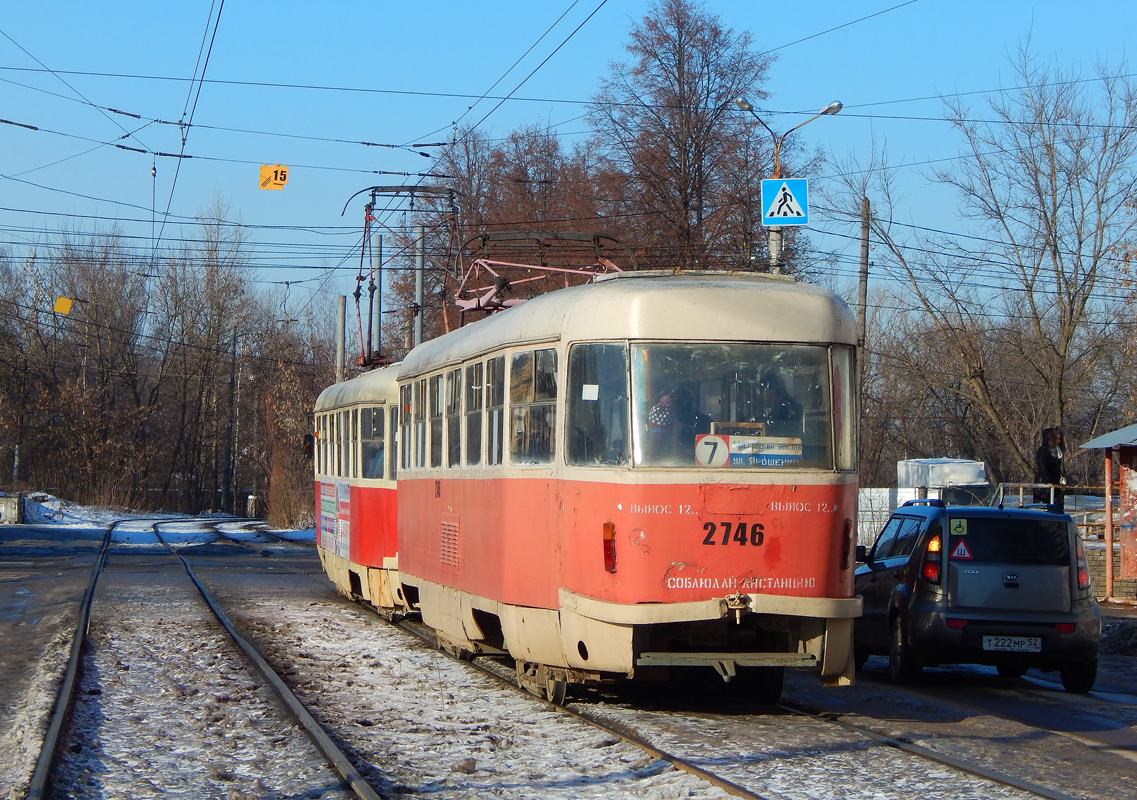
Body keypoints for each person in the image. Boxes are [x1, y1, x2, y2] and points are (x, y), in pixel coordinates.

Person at [758, 370, 803, 435]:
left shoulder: (783, 411)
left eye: (762, 392)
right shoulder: (787, 407)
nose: (761, 396)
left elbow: (773, 434)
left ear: (772, 391)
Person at [1033, 427, 1066, 510]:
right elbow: (1043, 469)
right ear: (1050, 439)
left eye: (1059, 438)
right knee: (1044, 510)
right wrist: (1051, 481)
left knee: (1058, 509)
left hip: (1055, 487)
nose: (1059, 441)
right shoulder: (1042, 451)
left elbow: (1057, 469)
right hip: (1044, 487)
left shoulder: (1057, 452)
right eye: (1056, 439)